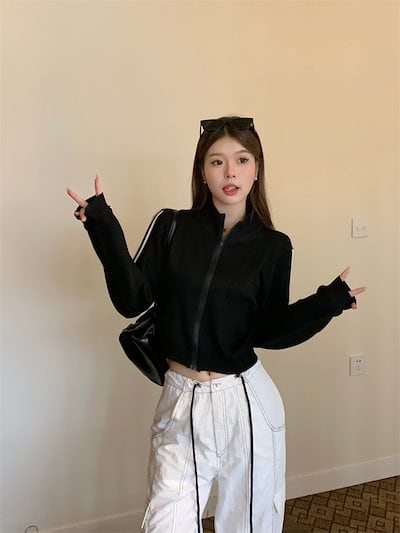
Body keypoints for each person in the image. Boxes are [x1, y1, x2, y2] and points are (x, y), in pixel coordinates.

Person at [67, 116, 365, 533]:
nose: (230, 173)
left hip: (245, 401)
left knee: (250, 525)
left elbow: (270, 330)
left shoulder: (273, 246)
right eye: (217, 161)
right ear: (202, 171)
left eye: (242, 160)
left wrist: (327, 303)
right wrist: (103, 229)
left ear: (256, 169)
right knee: (166, 523)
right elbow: (131, 300)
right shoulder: (171, 225)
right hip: (180, 399)